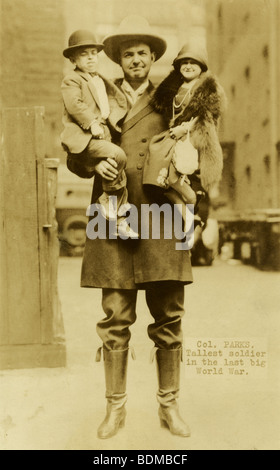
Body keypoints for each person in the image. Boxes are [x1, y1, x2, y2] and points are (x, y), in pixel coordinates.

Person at [81, 15, 193, 439]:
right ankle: (116, 411)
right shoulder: (96, 94)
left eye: (143, 53)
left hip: (161, 212)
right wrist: (94, 158)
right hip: (112, 213)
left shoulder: (173, 97)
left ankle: (169, 407)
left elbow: (196, 140)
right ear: (118, 60)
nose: (136, 60)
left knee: (168, 314)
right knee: (114, 316)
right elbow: (75, 141)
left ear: (153, 58)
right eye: (128, 54)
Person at [61, 29, 138, 238]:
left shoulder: (101, 80)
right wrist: (92, 123)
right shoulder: (72, 80)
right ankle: (106, 199)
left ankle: (119, 218)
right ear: (73, 59)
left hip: (103, 131)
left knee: (116, 167)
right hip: (86, 136)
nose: (90, 58)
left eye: (93, 53)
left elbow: (115, 103)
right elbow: (75, 104)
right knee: (118, 155)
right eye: (84, 54)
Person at [143, 39, 225, 232]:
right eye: (184, 63)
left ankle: (192, 205)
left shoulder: (208, 89)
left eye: (193, 63)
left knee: (177, 178)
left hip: (194, 142)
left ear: (201, 66)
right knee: (157, 179)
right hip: (173, 140)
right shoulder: (174, 89)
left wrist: (185, 129)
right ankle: (189, 215)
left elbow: (207, 118)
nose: (188, 66)